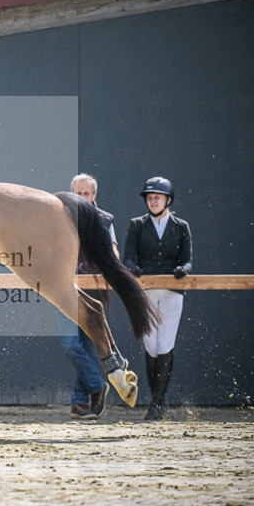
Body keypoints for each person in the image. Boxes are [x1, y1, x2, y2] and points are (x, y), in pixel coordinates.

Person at [123, 176, 193, 421]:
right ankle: (158, 403)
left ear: (168, 200)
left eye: (157, 197)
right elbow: (127, 257)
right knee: (151, 346)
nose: (153, 201)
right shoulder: (136, 225)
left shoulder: (181, 226)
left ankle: (157, 402)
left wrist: (184, 269)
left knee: (165, 344)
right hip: (145, 291)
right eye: (150, 198)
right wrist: (133, 268)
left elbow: (187, 259)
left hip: (173, 291)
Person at [59, 174, 115, 420]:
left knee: (90, 346)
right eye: (78, 193)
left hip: (93, 287)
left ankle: (80, 401)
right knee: (71, 344)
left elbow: (113, 249)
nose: (83, 198)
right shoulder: (60, 217)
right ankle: (96, 388)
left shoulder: (103, 220)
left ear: (94, 196)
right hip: (64, 288)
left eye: (87, 193)